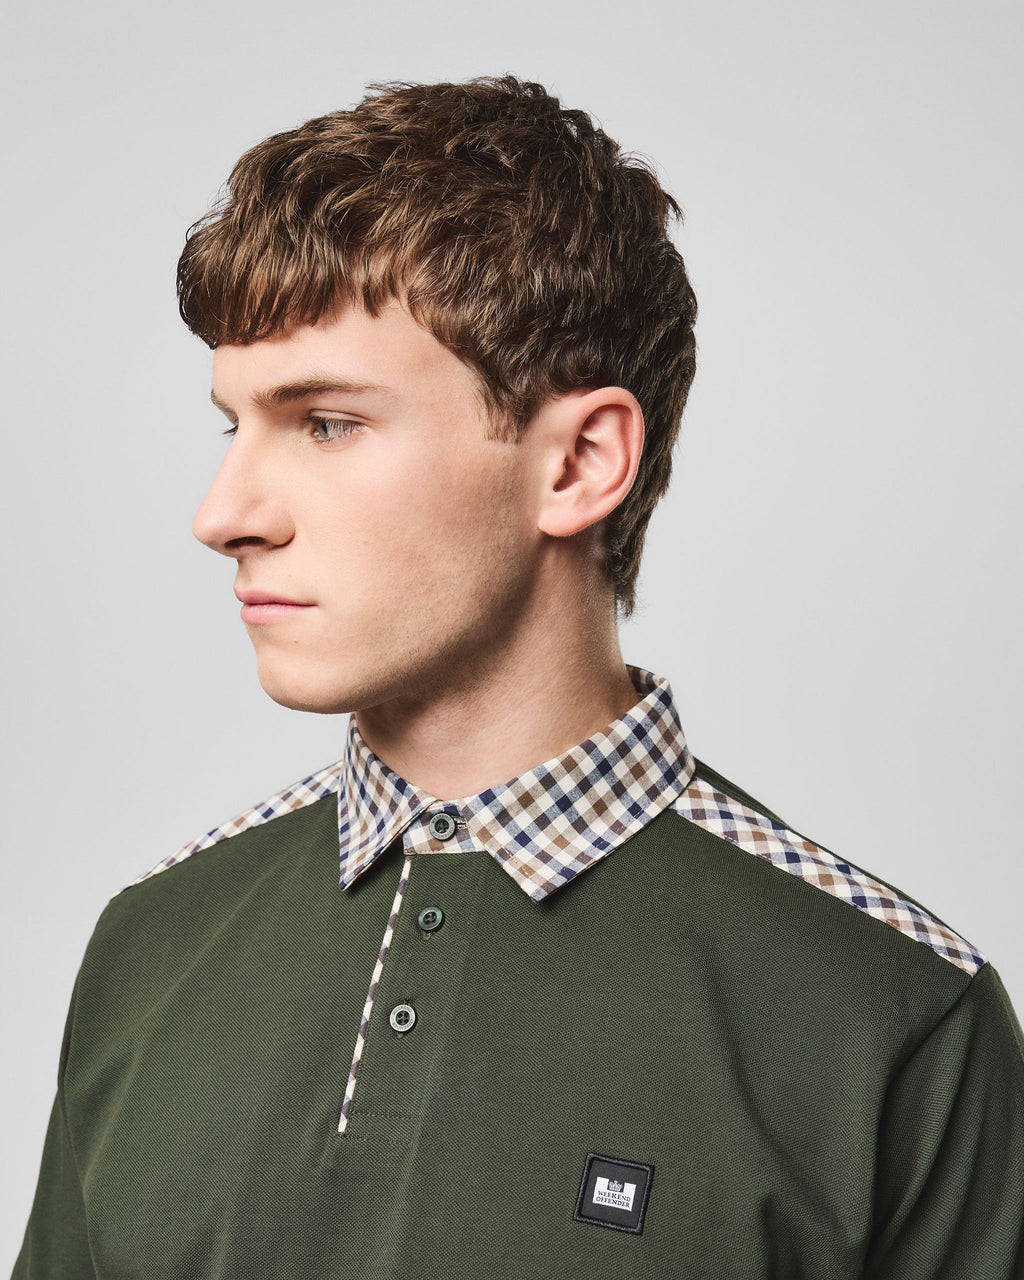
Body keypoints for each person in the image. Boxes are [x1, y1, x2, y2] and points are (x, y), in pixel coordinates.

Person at [13, 75, 1024, 1279]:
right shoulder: (149, 943)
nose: (222, 513)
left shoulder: (895, 1013)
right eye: (233, 425)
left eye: (326, 422)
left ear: (580, 462)